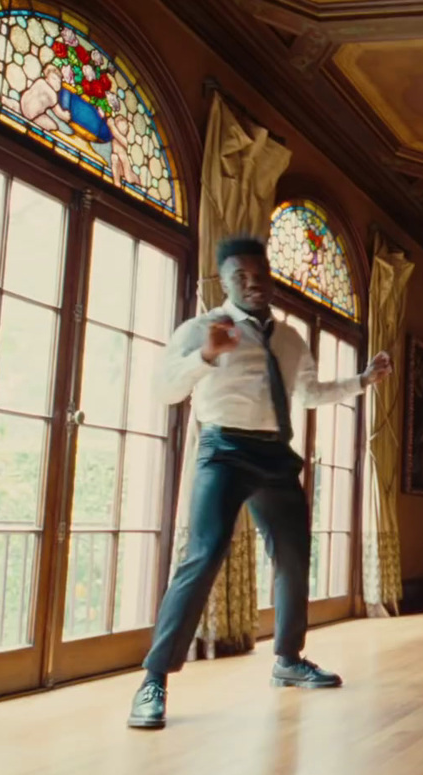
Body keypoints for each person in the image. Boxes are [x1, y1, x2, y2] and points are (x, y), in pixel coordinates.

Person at [127, 236, 393, 730]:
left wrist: (362, 381)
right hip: (224, 450)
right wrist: (205, 357)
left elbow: (309, 394)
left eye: (260, 276)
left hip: (274, 454)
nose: (252, 284)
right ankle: (154, 680)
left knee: (294, 556)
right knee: (204, 555)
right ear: (224, 282)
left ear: (270, 279)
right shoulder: (201, 329)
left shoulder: (290, 338)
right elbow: (165, 391)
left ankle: (289, 660)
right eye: (240, 277)